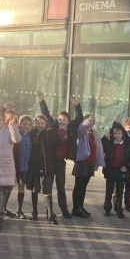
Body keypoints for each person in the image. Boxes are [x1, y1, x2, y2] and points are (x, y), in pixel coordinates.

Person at [37, 90, 76, 219]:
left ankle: (64, 209)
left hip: (60, 162)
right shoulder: (54, 126)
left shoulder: (70, 130)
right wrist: (41, 100)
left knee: (61, 187)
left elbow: (79, 119)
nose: (61, 121)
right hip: (50, 161)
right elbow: (46, 114)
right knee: (47, 186)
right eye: (60, 119)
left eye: (64, 120)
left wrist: (76, 105)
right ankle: (48, 210)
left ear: (68, 121)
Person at [0, 108, 21, 230]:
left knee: (0, 192)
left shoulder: (8, 130)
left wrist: (12, 126)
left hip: (3, 164)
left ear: (4, 121)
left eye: (0, 120)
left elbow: (17, 139)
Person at [71, 111, 105, 218]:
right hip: (82, 162)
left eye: (92, 122)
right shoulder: (81, 132)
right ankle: (75, 208)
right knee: (79, 186)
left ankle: (80, 206)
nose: (91, 124)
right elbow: (81, 128)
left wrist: (97, 163)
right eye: (89, 122)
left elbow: (98, 148)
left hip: (90, 162)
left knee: (84, 187)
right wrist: (88, 120)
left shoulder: (94, 134)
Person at [26, 114, 58, 225]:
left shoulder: (49, 133)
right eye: (38, 123)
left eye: (42, 123)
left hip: (47, 166)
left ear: (46, 124)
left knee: (47, 191)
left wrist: (51, 132)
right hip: (34, 166)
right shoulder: (32, 133)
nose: (40, 125)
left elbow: (58, 142)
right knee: (34, 190)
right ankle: (34, 212)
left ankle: (50, 214)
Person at [101, 122, 130, 218]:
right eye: (115, 133)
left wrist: (127, 167)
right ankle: (107, 208)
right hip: (110, 171)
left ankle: (118, 208)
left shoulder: (127, 145)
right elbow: (100, 145)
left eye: (119, 133)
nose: (117, 135)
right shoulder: (109, 144)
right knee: (109, 191)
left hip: (121, 171)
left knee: (120, 192)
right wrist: (105, 137)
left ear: (123, 134)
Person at [1, 109, 20, 219]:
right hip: (3, 163)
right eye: (8, 119)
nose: (10, 121)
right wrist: (2, 108)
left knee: (9, 187)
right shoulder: (0, 130)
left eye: (13, 119)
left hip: (13, 163)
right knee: (2, 188)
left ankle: (3, 208)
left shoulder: (15, 131)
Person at [16, 115, 32, 219]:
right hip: (17, 166)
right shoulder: (17, 134)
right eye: (24, 124)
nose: (26, 126)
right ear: (20, 124)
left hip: (26, 168)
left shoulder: (32, 135)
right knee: (8, 188)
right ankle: (2, 210)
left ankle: (19, 210)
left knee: (21, 188)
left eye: (29, 124)